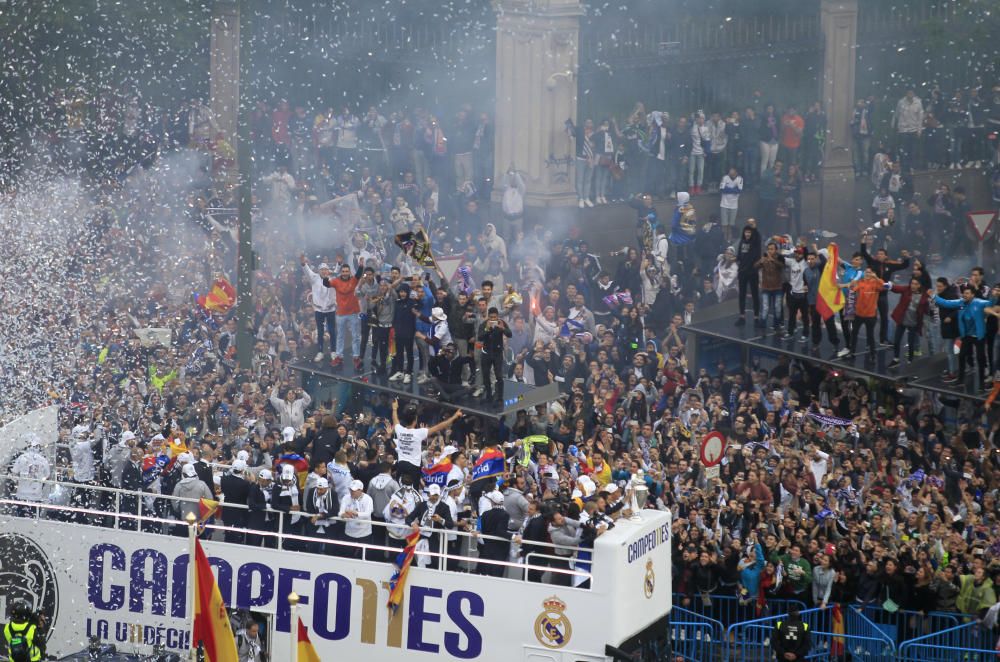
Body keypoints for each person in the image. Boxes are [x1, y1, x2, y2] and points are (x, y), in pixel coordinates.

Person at [391, 399, 463, 485]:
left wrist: (394, 408)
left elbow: (395, 420)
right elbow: (440, 426)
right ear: (416, 419)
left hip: (401, 465)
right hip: (413, 467)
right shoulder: (419, 432)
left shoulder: (399, 430)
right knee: (413, 493)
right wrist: (454, 417)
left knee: (401, 490)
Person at [937, 286, 992, 390]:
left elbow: (991, 304)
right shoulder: (961, 302)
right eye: (964, 293)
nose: (964, 295)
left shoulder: (979, 302)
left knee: (980, 359)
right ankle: (960, 380)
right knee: (961, 356)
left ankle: (981, 382)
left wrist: (995, 296)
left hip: (978, 335)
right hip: (967, 335)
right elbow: (946, 303)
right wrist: (933, 296)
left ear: (972, 295)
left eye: (967, 293)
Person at [322, 260, 365, 371]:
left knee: (355, 336)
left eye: (347, 271)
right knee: (340, 336)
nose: (345, 273)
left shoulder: (353, 280)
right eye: (344, 271)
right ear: (341, 272)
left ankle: (356, 357)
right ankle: (339, 357)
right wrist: (326, 277)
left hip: (353, 313)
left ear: (349, 272)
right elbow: (326, 284)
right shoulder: (336, 281)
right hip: (341, 313)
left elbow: (359, 274)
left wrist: (360, 265)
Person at [406, 483, 454, 569]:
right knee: (415, 560)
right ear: (428, 494)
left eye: (437, 495)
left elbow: (450, 524)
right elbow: (408, 518)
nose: (435, 497)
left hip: (435, 539)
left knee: (435, 562)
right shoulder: (422, 505)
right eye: (433, 495)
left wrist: (440, 519)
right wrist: (413, 524)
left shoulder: (444, 507)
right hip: (420, 538)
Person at [301, 256, 337, 363]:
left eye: (326, 270)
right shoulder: (314, 278)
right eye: (322, 270)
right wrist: (304, 264)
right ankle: (320, 351)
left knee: (332, 331)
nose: (324, 272)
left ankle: (333, 351)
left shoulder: (333, 279)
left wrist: (339, 264)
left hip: (330, 309)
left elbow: (339, 272)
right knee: (320, 331)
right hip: (319, 310)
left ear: (328, 271)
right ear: (319, 271)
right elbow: (307, 271)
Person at [477, 307, 512, 404]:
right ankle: (488, 395)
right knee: (486, 376)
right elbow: (479, 337)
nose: (493, 319)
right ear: (488, 317)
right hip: (486, 353)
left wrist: (503, 328)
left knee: (499, 376)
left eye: (494, 317)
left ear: (498, 316)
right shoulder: (484, 324)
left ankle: (500, 397)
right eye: (491, 317)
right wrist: (487, 329)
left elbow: (510, 334)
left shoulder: (501, 323)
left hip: (497, 354)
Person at [477, 489, 514, 577]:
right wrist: (513, 536)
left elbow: (484, 531)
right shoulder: (505, 515)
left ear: (492, 501)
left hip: (487, 547)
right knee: (497, 574)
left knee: (486, 573)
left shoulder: (485, 514)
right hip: (500, 549)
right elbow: (500, 531)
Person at [11, 436, 50, 516]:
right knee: (34, 521)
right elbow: (47, 475)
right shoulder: (43, 460)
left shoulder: (21, 458)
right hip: (36, 496)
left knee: (20, 519)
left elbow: (14, 473)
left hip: (21, 494)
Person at [734, 223, 762, 327]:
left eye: (749, 232)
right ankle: (742, 317)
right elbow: (740, 256)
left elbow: (758, 237)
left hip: (753, 272)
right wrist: (735, 259)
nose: (747, 234)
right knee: (742, 295)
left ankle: (756, 317)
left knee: (755, 295)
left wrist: (754, 227)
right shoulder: (741, 242)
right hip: (742, 272)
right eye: (746, 232)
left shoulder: (755, 242)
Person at [719, 167, 743, 243]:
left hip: (734, 205)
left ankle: (729, 239)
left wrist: (728, 189)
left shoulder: (740, 179)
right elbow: (722, 189)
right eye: (730, 171)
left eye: (732, 171)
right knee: (724, 224)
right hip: (724, 204)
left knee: (731, 224)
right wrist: (733, 189)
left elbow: (739, 191)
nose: (730, 173)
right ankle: (723, 239)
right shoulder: (725, 178)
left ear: (736, 172)